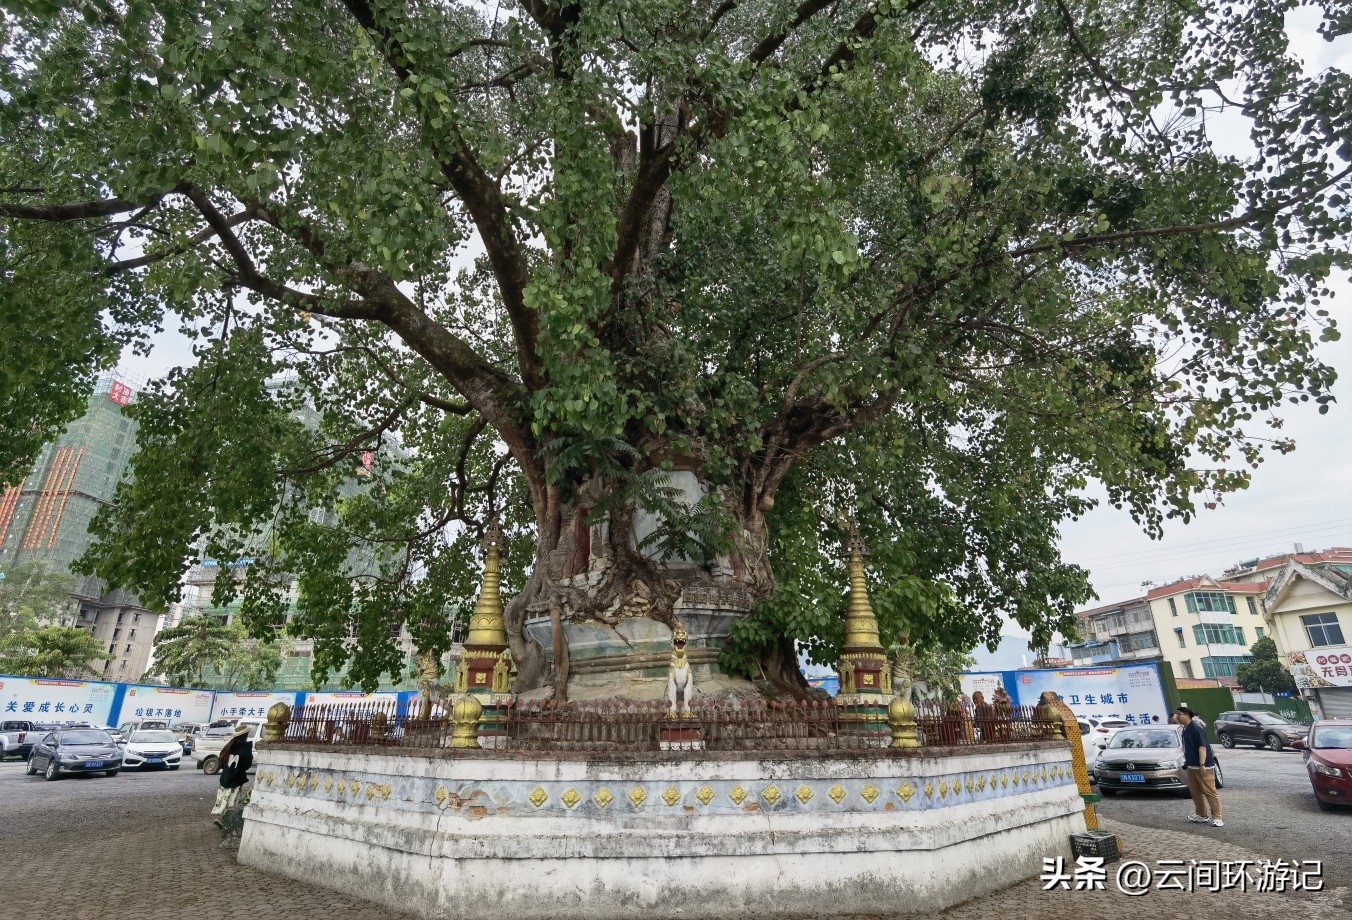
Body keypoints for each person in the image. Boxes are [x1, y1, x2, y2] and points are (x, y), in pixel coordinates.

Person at [1175, 706, 1223, 827]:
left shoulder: (1196, 729)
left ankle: (1217, 818)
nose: (1177, 717)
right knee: (1195, 792)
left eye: (1179, 714)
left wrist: (1202, 764)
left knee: (1210, 792)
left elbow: (1202, 747)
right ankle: (1201, 815)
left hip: (1203, 767)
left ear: (1186, 715)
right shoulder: (1185, 729)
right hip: (1191, 767)